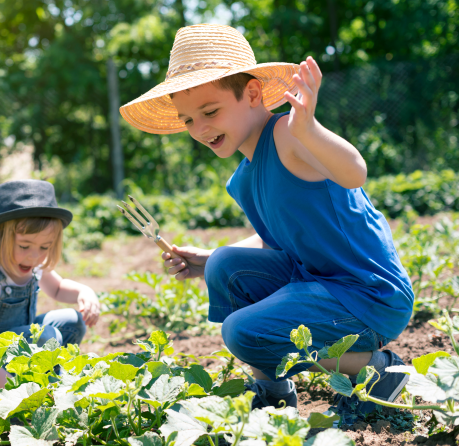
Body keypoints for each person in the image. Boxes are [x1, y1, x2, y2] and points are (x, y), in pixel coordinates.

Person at [119, 24, 414, 425]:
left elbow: (355, 172)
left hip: (367, 296)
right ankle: (273, 389)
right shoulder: (242, 178)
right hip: (321, 285)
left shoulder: (288, 135)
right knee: (225, 265)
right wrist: (206, 260)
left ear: (253, 94)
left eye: (210, 112)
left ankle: (377, 369)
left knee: (243, 333)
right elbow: (277, 239)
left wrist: (308, 128)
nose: (200, 129)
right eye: (188, 120)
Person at [0, 179, 100, 404]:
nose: (34, 256)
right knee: (48, 336)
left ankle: (45, 383)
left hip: (15, 347)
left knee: (73, 321)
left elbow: (57, 288)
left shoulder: (32, 264)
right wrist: (13, 389)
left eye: (45, 247)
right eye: (24, 246)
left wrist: (84, 292)